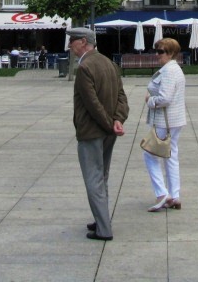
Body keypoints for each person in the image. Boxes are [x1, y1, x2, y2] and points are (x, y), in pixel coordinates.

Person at [69, 27, 128, 241]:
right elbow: (122, 97)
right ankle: (101, 218)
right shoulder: (109, 63)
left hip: (92, 131)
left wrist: (109, 124)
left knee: (94, 179)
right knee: (102, 177)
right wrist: (118, 120)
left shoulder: (85, 67)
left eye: (72, 41)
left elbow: (92, 103)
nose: (70, 45)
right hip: (108, 132)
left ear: (83, 42)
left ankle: (103, 229)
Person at [143, 38, 187, 212]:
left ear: (171, 53)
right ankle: (175, 195)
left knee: (150, 154)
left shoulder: (169, 71)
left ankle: (162, 194)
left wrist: (150, 100)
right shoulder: (174, 69)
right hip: (174, 120)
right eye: (156, 51)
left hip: (165, 120)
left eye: (161, 51)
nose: (157, 54)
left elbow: (165, 98)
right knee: (170, 155)